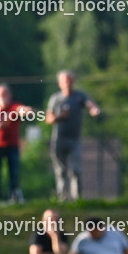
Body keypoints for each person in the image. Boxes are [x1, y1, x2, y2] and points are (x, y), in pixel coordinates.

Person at [45, 70, 101, 202]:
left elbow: (90, 105)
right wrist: (60, 116)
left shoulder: (80, 96)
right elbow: (48, 119)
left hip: (75, 139)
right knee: (60, 170)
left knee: (76, 169)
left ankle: (77, 199)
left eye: (70, 81)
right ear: (60, 83)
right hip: (59, 139)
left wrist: (94, 110)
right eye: (65, 81)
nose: (68, 84)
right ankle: (61, 198)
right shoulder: (55, 99)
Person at [0, 84, 34, 203]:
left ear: (9, 95)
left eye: (4, 94)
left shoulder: (14, 107)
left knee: (14, 174)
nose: (2, 97)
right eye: (0, 94)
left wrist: (27, 110)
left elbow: (22, 110)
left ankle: (14, 199)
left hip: (12, 146)